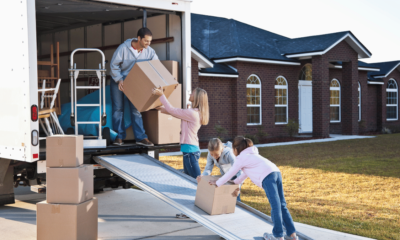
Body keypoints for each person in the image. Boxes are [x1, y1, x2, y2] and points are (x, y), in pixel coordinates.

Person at [208, 136, 298, 240]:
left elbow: (231, 172)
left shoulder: (241, 158)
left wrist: (217, 183)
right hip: (276, 172)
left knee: (276, 206)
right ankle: (292, 234)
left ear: (236, 149)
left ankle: (278, 235)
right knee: (282, 204)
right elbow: (245, 174)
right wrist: (235, 182)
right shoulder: (252, 155)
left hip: (268, 177)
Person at [109, 27, 158, 146]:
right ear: (139, 39)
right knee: (118, 109)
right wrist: (119, 79)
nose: (148, 43)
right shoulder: (123, 48)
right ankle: (118, 137)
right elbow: (113, 65)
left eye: (150, 41)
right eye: (146, 41)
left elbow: (155, 66)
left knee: (136, 110)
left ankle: (141, 138)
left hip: (135, 82)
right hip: (119, 79)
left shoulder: (150, 51)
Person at [152, 87, 209, 178]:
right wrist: (160, 108)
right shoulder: (194, 112)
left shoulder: (192, 113)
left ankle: (204, 192)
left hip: (190, 151)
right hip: (190, 150)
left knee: (197, 180)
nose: (190, 94)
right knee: (189, 179)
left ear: (197, 97)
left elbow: (173, 110)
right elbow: (175, 112)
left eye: (192, 93)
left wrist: (161, 95)